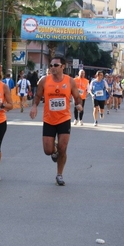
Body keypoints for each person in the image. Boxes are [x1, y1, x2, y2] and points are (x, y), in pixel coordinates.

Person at [29, 57, 83, 186]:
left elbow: (77, 97)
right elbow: (37, 96)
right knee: (48, 150)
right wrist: (34, 106)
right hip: (49, 119)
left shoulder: (70, 81)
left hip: (64, 119)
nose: (53, 67)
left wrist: (79, 105)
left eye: (56, 65)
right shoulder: (44, 81)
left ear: (63, 66)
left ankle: (59, 174)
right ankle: (54, 150)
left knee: (63, 148)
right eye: (51, 65)